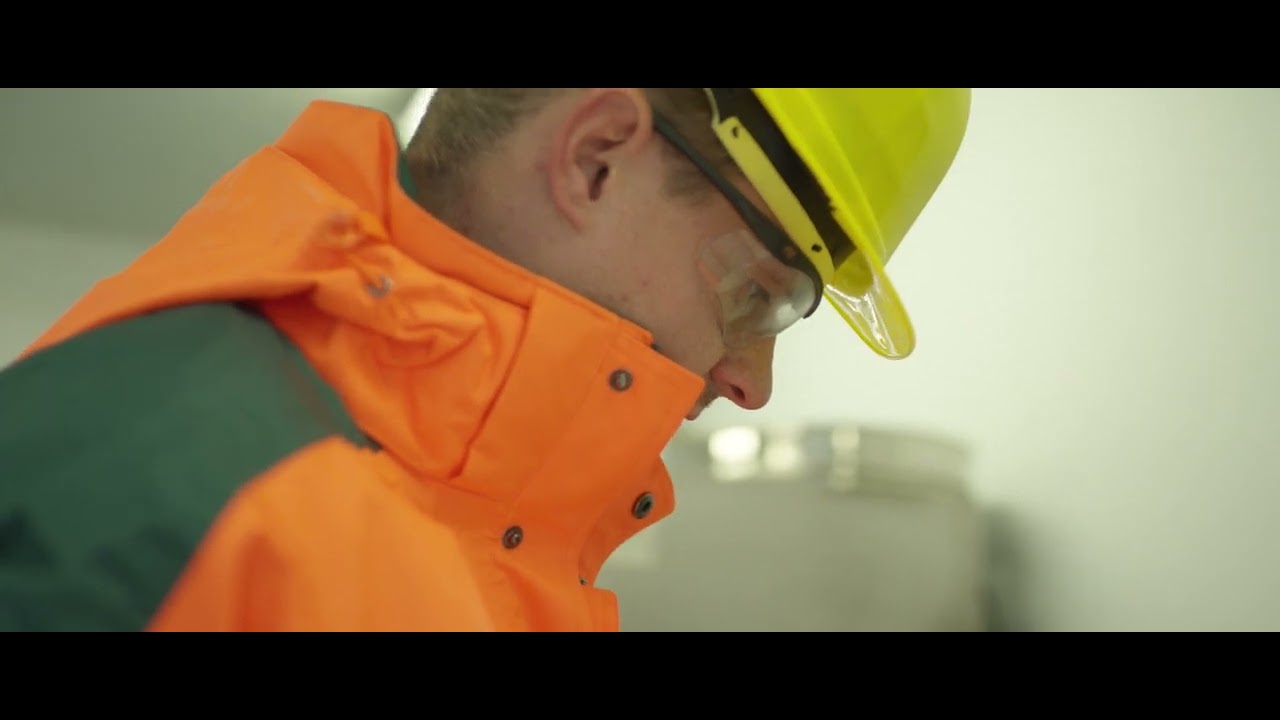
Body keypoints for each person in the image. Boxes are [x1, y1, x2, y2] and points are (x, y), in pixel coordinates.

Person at [0, 88, 971, 631]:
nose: (751, 382)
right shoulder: (164, 490)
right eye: (761, 294)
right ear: (594, 156)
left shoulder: (474, 520)